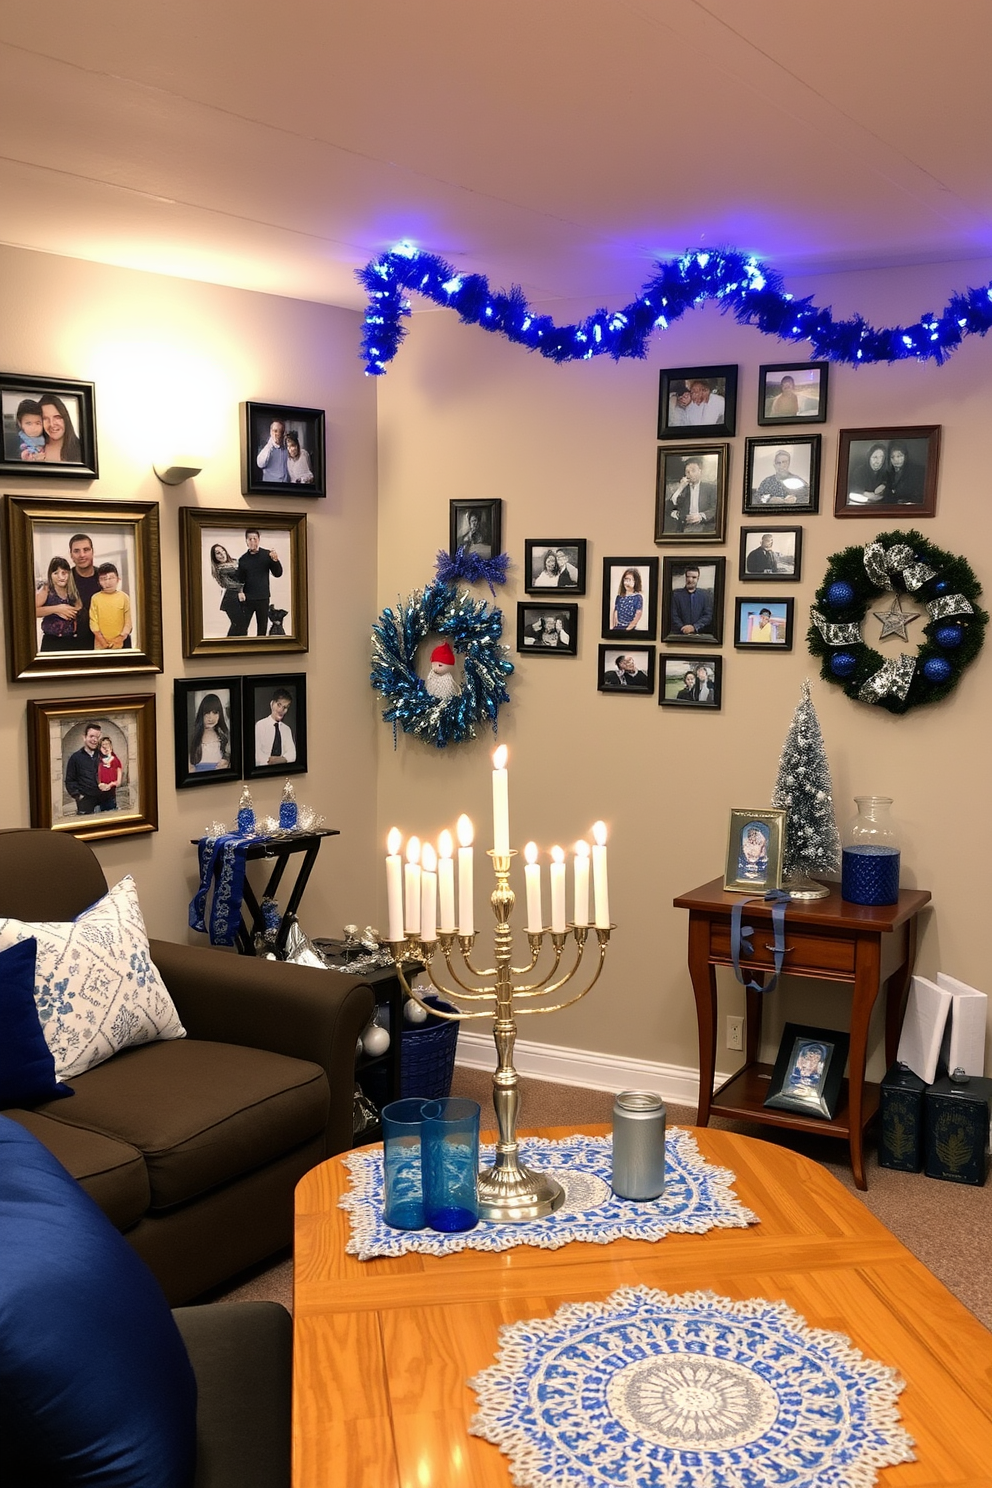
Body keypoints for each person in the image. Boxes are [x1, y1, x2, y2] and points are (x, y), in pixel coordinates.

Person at [234, 529, 283, 637]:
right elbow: (240, 579)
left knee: (262, 629)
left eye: (255, 539)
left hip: (263, 598)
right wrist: (240, 592)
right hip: (248, 599)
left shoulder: (267, 555)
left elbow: (278, 573)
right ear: (246, 541)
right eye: (250, 539)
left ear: (259, 540)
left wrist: (275, 561)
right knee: (242, 628)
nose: (252, 541)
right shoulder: (243, 559)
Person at [35, 555, 82, 652]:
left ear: (69, 574)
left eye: (64, 573)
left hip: (71, 640)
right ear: (50, 575)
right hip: (51, 641)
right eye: (56, 573)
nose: (60, 577)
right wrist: (57, 609)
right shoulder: (47, 590)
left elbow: (79, 608)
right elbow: (32, 611)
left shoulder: (73, 591)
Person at [67, 533, 101, 650]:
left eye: (86, 550)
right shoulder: (65, 578)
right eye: (76, 551)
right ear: (71, 555)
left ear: (92, 551)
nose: (82, 555)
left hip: (100, 642)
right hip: (71, 643)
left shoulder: (103, 577)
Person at [666, 457, 717, 532]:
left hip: (705, 525)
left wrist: (701, 516)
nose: (690, 474)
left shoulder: (710, 488)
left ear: (700, 471)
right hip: (685, 526)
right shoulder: (683, 489)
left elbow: (715, 508)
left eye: (693, 471)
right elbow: (669, 507)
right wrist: (680, 488)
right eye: (687, 472)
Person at [64, 722, 103, 815]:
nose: (94, 740)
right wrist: (79, 796)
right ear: (84, 737)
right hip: (85, 803)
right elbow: (70, 781)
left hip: (104, 801)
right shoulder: (75, 758)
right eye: (91, 736)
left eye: (97, 737)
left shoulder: (103, 755)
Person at [89, 562, 131, 649]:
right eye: (103, 579)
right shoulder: (95, 598)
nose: (107, 582)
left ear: (118, 579)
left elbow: (128, 621)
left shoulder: (124, 597)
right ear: (99, 582)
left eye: (111, 578)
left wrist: (120, 639)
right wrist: (103, 642)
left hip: (120, 645)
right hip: (100, 645)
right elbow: (93, 623)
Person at [209, 543, 248, 636]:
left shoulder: (236, 562)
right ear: (215, 557)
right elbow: (230, 585)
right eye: (218, 553)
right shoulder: (220, 569)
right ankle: (228, 646)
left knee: (241, 625)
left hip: (241, 597)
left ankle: (237, 647)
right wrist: (242, 588)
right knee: (239, 624)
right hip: (231, 598)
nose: (222, 554)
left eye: (223, 551)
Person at [189, 693, 232, 772]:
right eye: (207, 713)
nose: (210, 718)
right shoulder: (193, 736)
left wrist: (226, 761)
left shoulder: (225, 735)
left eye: (215, 712)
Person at [255, 687, 296, 766]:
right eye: (279, 705)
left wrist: (282, 760)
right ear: (272, 704)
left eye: (285, 707)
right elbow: (256, 753)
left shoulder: (286, 729)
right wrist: (271, 761)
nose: (281, 710)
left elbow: (292, 753)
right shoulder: (260, 725)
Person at [669, 565, 713, 636]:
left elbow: (708, 616)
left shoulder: (705, 595)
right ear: (685, 577)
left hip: (700, 635)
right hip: (679, 634)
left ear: (698, 578)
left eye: (694, 577)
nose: (690, 580)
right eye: (688, 577)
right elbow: (674, 615)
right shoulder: (676, 595)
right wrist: (683, 629)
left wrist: (694, 627)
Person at [37, 395, 83, 463]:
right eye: (45, 419)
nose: (52, 424)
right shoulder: (35, 449)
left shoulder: (83, 450)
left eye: (57, 417)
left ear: (66, 419)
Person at [886, 440, 926, 505]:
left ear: (905, 456)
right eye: (892, 457)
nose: (896, 460)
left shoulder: (916, 471)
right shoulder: (889, 474)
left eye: (899, 456)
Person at [96, 736, 123, 811]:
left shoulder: (116, 761)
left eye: (107, 744)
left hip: (110, 795)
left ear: (111, 746)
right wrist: (99, 784)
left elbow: (118, 782)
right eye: (103, 745)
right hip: (98, 796)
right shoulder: (98, 761)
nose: (105, 747)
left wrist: (110, 785)